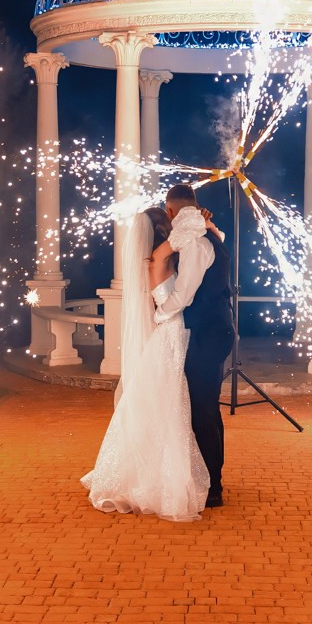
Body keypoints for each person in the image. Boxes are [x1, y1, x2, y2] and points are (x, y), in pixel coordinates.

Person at [80, 196, 211, 519]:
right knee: (167, 403)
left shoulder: (151, 259)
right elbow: (181, 247)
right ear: (160, 230)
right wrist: (200, 223)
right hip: (168, 329)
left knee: (158, 400)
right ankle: (158, 481)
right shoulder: (160, 256)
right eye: (167, 224)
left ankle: (144, 471)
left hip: (164, 328)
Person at [163, 182, 231, 507]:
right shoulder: (212, 238)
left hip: (205, 334)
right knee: (209, 408)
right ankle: (212, 479)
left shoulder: (193, 244)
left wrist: (158, 312)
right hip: (218, 330)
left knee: (202, 412)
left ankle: (213, 488)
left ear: (169, 210)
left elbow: (184, 294)